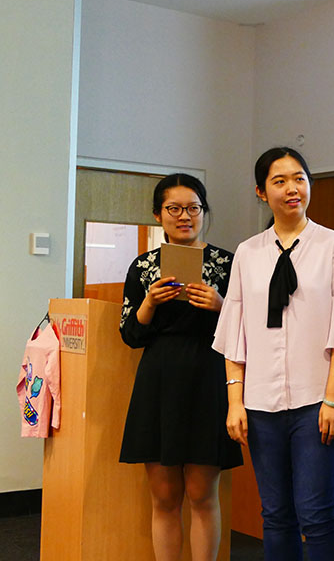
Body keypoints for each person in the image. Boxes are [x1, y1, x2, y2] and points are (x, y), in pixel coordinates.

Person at [212, 146, 334, 560]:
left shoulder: (332, 246)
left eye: (299, 179)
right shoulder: (248, 253)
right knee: (276, 515)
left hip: (316, 402)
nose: (292, 189)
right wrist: (235, 402)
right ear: (261, 192)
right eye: (279, 181)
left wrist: (333, 399)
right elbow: (235, 334)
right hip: (260, 405)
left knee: (316, 514)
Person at [119, 173, 242, 561]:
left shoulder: (228, 264)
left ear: (204, 211)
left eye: (193, 208)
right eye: (174, 208)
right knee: (164, 496)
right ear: (158, 214)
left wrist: (221, 306)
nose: (184, 216)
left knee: (203, 495)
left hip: (209, 377)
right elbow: (129, 334)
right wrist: (150, 302)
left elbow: (251, 330)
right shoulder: (143, 267)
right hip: (158, 380)